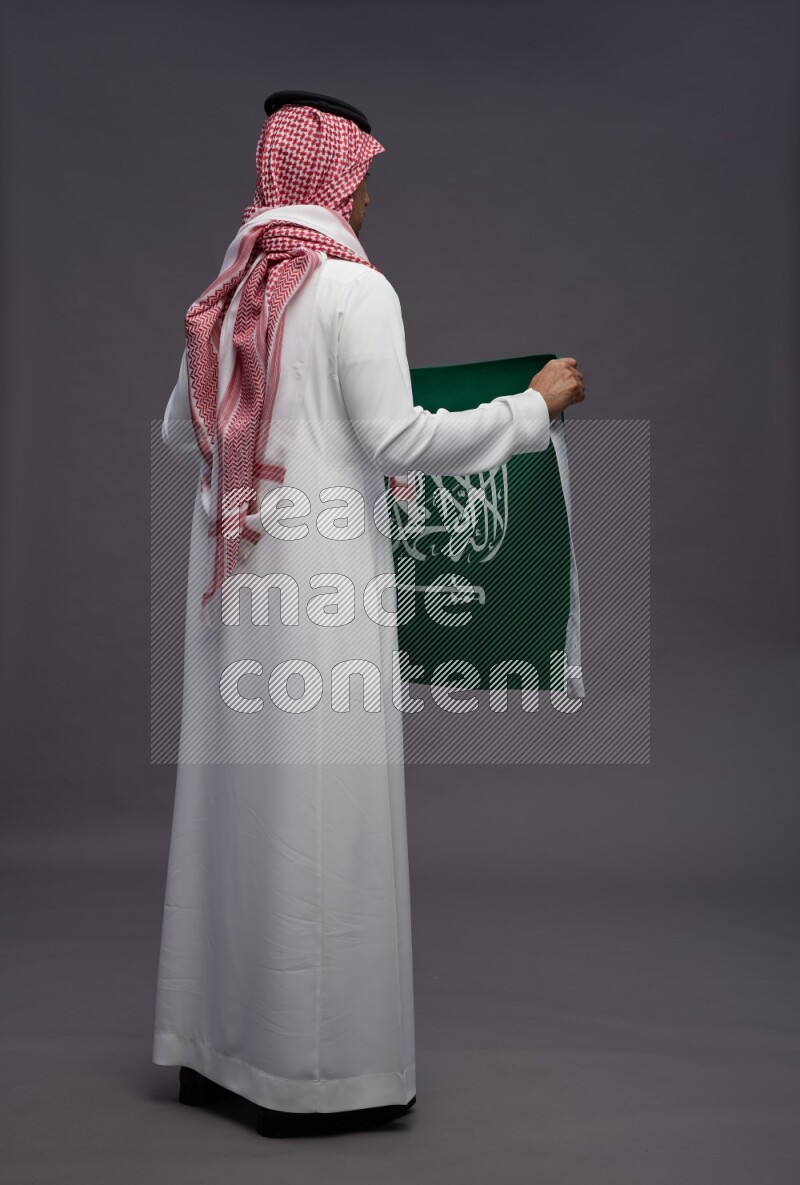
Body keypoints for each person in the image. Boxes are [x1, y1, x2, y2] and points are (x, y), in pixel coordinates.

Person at [152, 89, 585, 1139]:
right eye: (364, 174)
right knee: (317, 822)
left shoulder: (226, 293)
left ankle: (216, 1055)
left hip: (232, 600)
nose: (369, 193)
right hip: (319, 601)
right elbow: (396, 445)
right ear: (336, 176)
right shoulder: (353, 291)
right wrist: (532, 409)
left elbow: (183, 434)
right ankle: (315, 1075)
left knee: (235, 818)